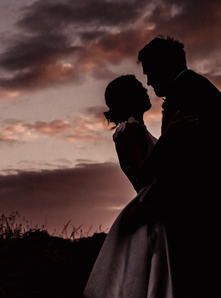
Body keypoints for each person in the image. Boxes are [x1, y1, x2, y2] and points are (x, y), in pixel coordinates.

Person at [135, 37, 221, 298]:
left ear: (164, 66)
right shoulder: (196, 88)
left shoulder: (186, 95)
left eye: (150, 73)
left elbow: (185, 163)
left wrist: (149, 206)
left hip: (215, 217)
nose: (149, 82)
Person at [84, 75, 174, 298]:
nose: (146, 91)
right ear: (129, 98)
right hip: (150, 208)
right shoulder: (130, 129)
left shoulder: (135, 129)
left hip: (153, 203)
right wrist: (170, 138)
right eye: (140, 89)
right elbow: (143, 171)